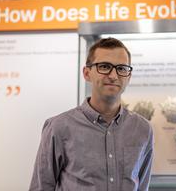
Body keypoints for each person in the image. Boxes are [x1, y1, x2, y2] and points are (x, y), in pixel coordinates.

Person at [29, 37, 154, 191]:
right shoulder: (58, 128)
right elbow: (41, 187)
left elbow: (142, 186)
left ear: (128, 76)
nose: (113, 75)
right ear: (87, 73)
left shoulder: (143, 129)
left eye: (121, 68)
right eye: (104, 66)